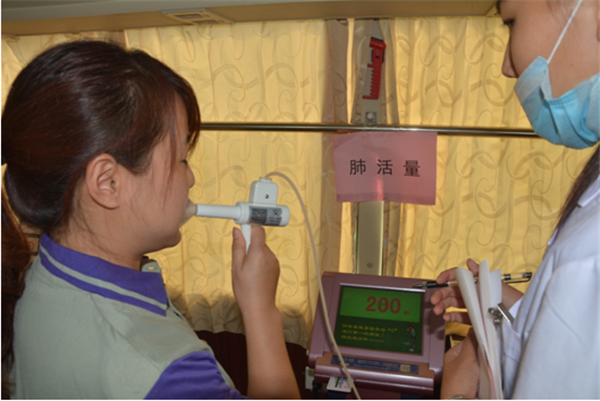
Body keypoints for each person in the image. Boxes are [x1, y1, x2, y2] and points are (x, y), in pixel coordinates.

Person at [1, 40, 300, 399]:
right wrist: (261, 311)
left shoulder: (34, 277)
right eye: (181, 159)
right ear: (108, 182)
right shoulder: (166, 372)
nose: (190, 178)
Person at [434, 0, 599, 398]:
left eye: (511, 21)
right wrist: (502, 306)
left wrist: (457, 393)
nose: (508, 66)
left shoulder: (589, 254)